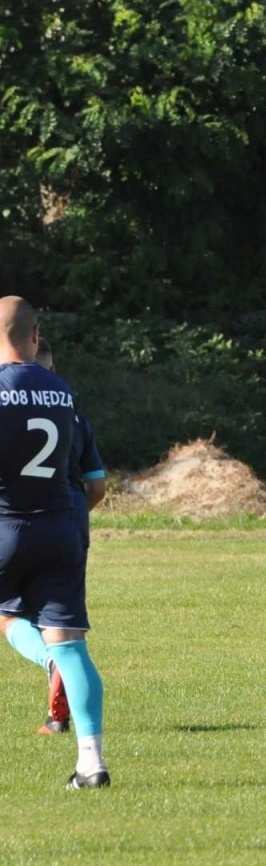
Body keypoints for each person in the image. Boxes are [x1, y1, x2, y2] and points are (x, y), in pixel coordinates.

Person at [0, 296, 109, 787]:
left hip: (7, 526)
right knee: (70, 648)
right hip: (60, 529)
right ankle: (91, 764)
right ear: (36, 335)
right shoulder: (61, 391)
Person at [26, 336, 107, 734]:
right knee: (65, 626)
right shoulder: (73, 414)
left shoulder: (8, 408)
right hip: (70, 523)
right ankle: (62, 723)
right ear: (53, 370)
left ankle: (48, 660)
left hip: (20, 520)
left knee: (9, 616)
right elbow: (97, 486)